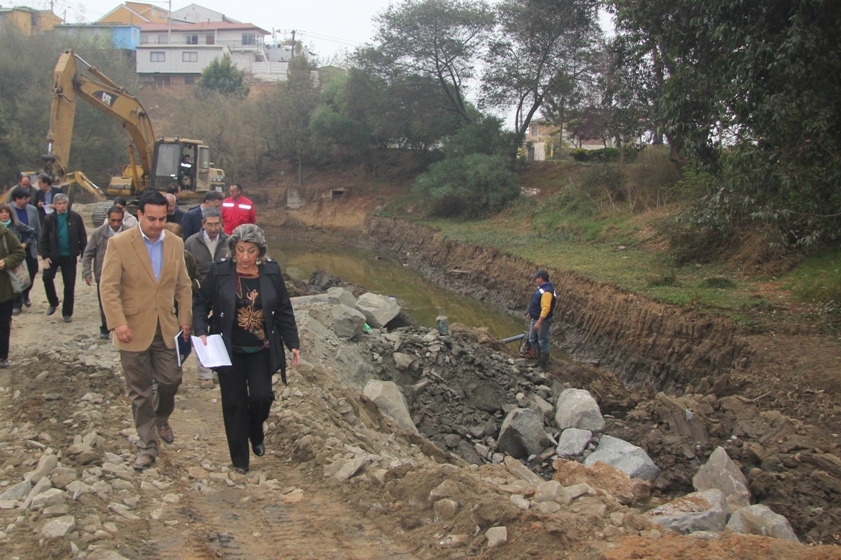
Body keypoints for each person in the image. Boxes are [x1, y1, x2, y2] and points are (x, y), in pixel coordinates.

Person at [193, 224, 300, 473]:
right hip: (228, 348)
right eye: (240, 249)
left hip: (261, 348)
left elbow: (283, 308)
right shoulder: (221, 271)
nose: (244, 257)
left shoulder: (271, 272)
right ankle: (240, 459)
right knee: (234, 403)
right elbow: (201, 301)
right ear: (233, 249)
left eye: (251, 251)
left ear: (259, 252)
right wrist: (201, 329)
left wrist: (293, 343)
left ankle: (255, 430)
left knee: (262, 397)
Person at [99, 189, 193, 471]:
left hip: (165, 327)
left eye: (162, 219)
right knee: (139, 392)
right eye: (151, 218)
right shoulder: (119, 244)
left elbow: (184, 285)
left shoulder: (175, 243)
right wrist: (117, 322)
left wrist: (185, 319)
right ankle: (147, 445)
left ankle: (161, 417)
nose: (157, 224)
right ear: (138, 215)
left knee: (171, 380)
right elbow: (109, 286)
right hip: (132, 327)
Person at [184, 207, 228, 388]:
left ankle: (222, 367)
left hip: (223, 293)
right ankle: (205, 373)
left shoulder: (229, 242)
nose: (213, 228)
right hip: (200, 293)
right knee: (200, 330)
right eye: (210, 224)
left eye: (217, 224)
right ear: (203, 224)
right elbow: (185, 271)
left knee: (222, 329)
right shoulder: (191, 243)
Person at [38, 193, 86, 322]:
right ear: (54, 205)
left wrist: (83, 252)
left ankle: (67, 313)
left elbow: (82, 236)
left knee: (69, 285)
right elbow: (43, 239)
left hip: (69, 256)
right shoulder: (49, 219)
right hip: (53, 255)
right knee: (47, 277)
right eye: (59, 203)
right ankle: (53, 302)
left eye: (64, 203)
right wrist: (45, 256)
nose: (62, 206)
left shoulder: (75, 217)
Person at [82, 206, 127, 339]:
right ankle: (106, 327)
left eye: (119, 220)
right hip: (103, 274)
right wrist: (87, 273)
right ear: (108, 219)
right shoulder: (99, 233)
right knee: (105, 301)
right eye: (113, 220)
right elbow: (88, 253)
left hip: (125, 275)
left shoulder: (129, 233)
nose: (116, 224)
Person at [0, 202, 35, 315]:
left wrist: (25, 244)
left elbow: (32, 232)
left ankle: (18, 302)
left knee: (17, 282)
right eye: (1, 212)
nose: (4, 215)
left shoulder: (14, 226)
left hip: (12, 262)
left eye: (6, 212)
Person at [9, 188, 40, 312]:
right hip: (14, 248)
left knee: (33, 270)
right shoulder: (7, 210)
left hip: (29, 245)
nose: (28, 200)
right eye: (25, 198)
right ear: (17, 199)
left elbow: (37, 227)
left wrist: (40, 245)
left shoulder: (32, 209)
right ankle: (17, 303)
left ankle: (25, 294)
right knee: (16, 274)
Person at [0, 220, 25, 368]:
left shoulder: (4, 234)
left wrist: (6, 261)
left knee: (2, 324)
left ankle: (2, 356)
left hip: (3, 289)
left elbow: (19, 252)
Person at [527, 270, 557, 371]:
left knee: (543, 341)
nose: (535, 280)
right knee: (532, 339)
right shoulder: (542, 289)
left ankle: (543, 365)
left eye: (536, 278)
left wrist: (539, 322)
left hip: (542, 320)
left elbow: (546, 308)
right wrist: (531, 314)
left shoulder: (547, 292)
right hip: (536, 317)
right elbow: (537, 303)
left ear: (541, 278)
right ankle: (538, 360)